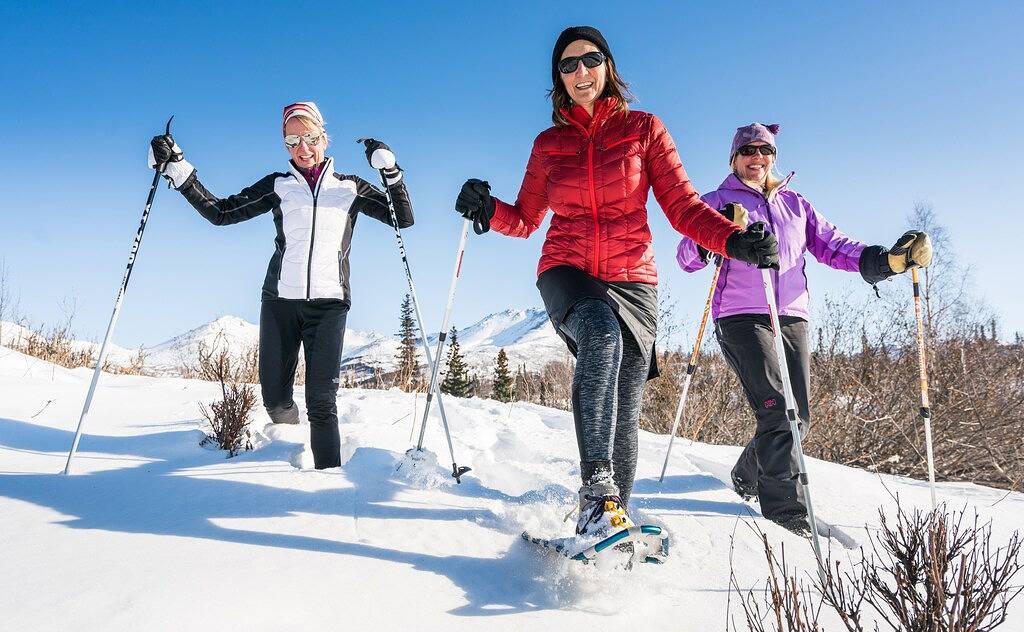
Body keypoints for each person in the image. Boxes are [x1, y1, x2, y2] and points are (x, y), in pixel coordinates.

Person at [454, 27, 775, 539]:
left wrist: (733, 241)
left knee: (625, 403)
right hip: (567, 268)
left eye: (590, 59)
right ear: (558, 79)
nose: (580, 71)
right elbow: (526, 219)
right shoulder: (549, 145)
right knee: (600, 336)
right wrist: (487, 208)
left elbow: (683, 206)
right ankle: (596, 495)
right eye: (568, 65)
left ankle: (611, 521)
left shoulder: (644, 129)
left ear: (607, 66)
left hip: (633, 278)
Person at [676, 122, 932, 535]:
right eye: (748, 151)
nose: (757, 158)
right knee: (779, 410)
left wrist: (886, 261)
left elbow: (834, 246)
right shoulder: (716, 201)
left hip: (792, 315)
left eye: (765, 151)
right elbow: (685, 257)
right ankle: (786, 514)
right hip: (741, 315)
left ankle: (746, 475)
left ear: (774, 157)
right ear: (733, 159)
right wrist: (715, 233)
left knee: (799, 418)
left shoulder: (796, 204)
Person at [148, 101, 414, 470]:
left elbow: (403, 218)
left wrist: (391, 173)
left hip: (329, 305)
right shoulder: (278, 186)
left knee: (321, 402)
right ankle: (287, 439)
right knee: (274, 398)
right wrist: (179, 170)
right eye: (292, 141)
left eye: (310, 138)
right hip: (279, 303)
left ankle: (329, 482)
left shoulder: (350, 188)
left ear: (324, 138)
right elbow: (220, 213)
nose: (303, 148)